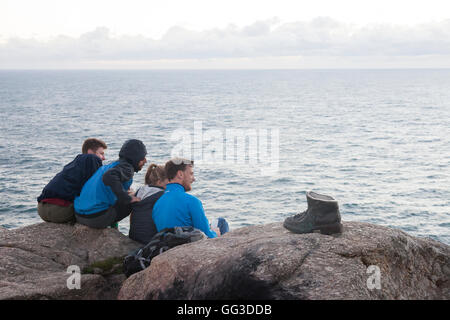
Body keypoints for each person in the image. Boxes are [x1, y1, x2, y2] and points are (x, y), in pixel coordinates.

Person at [74, 139, 147, 229]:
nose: (145, 161)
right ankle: (138, 233)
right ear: (135, 158)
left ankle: (114, 226)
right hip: (95, 218)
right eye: (143, 157)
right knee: (137, 201)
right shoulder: (127, 168)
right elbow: (109, 177)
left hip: (80, 215)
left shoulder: (110, 165)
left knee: (122, 197)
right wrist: (127, 198)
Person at [152, 158, 229, 238]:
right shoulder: (192, 201)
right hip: (192, 246)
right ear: (180, 174)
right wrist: (216, 233)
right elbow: (206, 235)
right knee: (221, 222)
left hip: (169, 246)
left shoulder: (157, 204)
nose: (193, 179)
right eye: (191, 174)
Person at [37, 138, 107, 223]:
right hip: (59, 210)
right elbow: (96, 189)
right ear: (90, 152)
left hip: (41, 209)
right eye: (101, 154)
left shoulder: (74, 164)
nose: (103, 158)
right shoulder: (91, 159)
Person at [129, 164, 168, 244]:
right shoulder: (162, 195)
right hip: (150, 241)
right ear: (159, 182)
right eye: (169, 181)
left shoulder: (140, 190)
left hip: (134, 236)